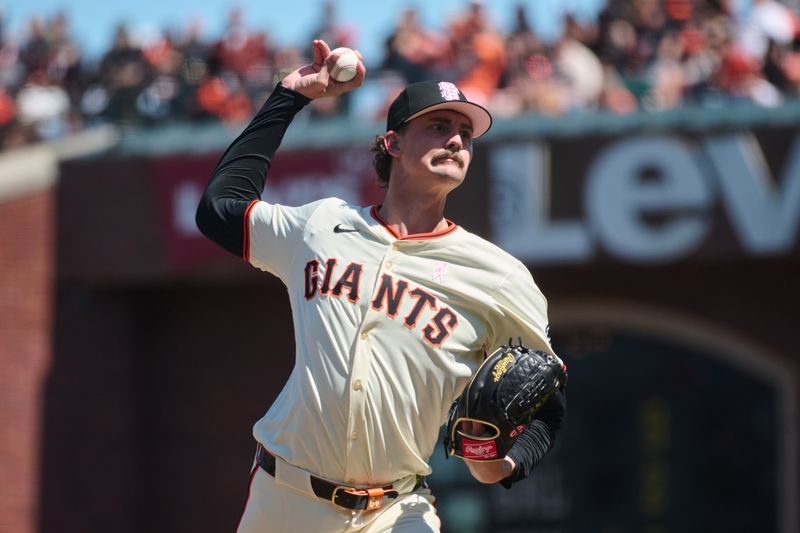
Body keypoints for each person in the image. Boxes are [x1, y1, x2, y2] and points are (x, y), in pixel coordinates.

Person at [196, 39, 566, 533]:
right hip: (284, 498)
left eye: (465, 133)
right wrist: (290, 95)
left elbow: (548, 388)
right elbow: (220, 207)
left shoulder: (498, 275)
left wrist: (507, 464)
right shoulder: (322, 225)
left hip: (396, 511)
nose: (456, 141)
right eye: (438, 126)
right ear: (392, 142)